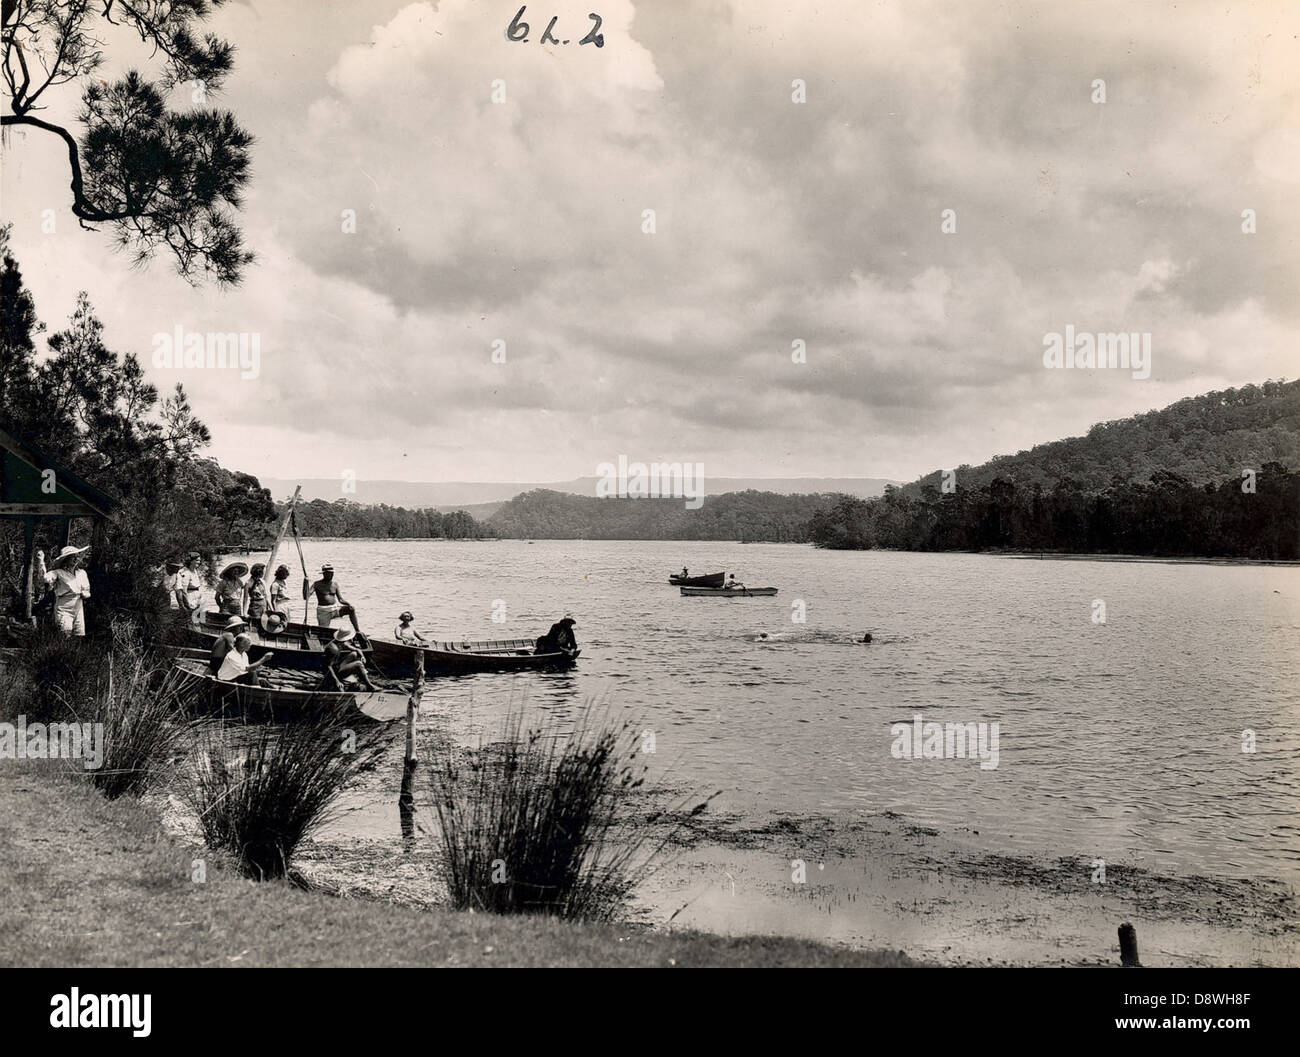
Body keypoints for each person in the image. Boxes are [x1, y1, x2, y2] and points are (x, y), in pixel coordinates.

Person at [35, 546, 91, 636]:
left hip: (78, 608)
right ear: (66, 559)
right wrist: (41, 561)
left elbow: (87, 591)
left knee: (78, 635)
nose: (75, 559)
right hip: (63, 608)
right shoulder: (58, 573)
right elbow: (44, 578)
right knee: (65, 634)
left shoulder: (82, 573)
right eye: (72, 557)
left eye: (76, 556)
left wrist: (85, 594)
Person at [309, 564, 361, 633]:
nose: (331, 575)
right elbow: (305, 596)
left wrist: (348, 604)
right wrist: (305, 583)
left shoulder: (335, 584)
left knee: (351, 609)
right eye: (329, 574)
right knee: (323, 633)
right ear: (324, 574)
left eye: (332, 573)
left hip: (335, 609)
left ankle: (358, 631)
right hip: (323, 612)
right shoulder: (317, 584)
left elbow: (340, 599)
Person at [176, 553, 205, 622]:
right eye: (197, 560)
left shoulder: (194, 571)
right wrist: (187, 605)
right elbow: (183, 590)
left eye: (199, 560)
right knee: (191, 620)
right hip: (190, 598)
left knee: (200, 619)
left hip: (197, 598)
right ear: (191, 561)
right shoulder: (185, 572)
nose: (199, 562)